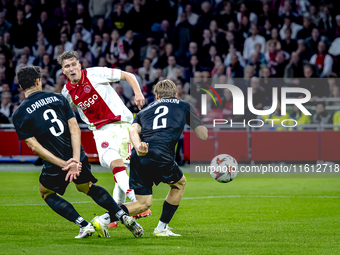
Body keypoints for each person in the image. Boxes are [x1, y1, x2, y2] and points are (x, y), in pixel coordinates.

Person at [12, 66, 143, 239]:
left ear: (20, 86)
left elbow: (34, 147)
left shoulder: (19, 114)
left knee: (46, 192)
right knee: (87, 187)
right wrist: (75, 159)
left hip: (55, 162)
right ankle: (123, 216)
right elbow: (74, 128)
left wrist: (63, 164)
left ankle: (84, 224)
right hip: (77, 155)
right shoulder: (58, 98)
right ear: (38, 81)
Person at [98, 80, 208, 236]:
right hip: (161, 154)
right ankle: (161, 228)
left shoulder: (144, 110)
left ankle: (102, 220)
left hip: (139, 156)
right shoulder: (183, 105)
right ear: (176, 95)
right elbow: (203, 135)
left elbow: (133, 130)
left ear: (156, 96)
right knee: (179, 184)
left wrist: (138, 147)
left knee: (142, 203)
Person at [58, 51, 151, 228]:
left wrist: (138, 93)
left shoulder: (95, 73)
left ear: (79, 65)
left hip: (122, 124)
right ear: (63, 71)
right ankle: (128, 207)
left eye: (73, 64)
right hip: (99, 130)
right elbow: (62, 114)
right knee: (117, 166)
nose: (71, 69)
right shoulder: (66, 92)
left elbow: (128, 75)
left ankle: (123, 209)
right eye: (67, 66)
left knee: (119, 168)